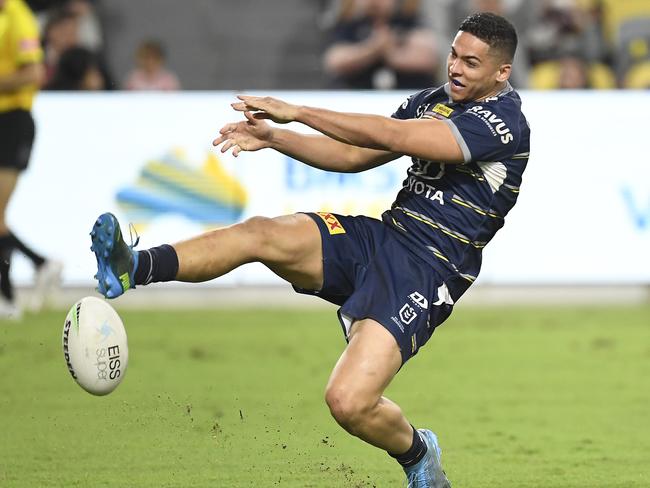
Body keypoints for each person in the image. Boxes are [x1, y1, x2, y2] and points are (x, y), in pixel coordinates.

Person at [90, 12, 529, 487]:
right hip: (384, 237)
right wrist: (276, 137)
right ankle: (134, 265)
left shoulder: (503, 123)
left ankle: (419, 454)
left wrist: (296, 111)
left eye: (471, 62)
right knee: (263, 233)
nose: (455, 69)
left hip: (428, 270)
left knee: (348, 402)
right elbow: (353, 156)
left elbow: (394, 136)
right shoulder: (432, 101)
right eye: (453, 55)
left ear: (501, 72)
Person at [0, 0, 62, 319]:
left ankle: (14, 292)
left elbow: (34, 72)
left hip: (13, 122)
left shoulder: (19, 18)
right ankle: (19, 285)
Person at [322, 0, 439, 89]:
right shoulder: (350, 23)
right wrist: (373, 48)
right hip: (358, 98)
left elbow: (427, 57)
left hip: (408, 97)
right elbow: (335, 60)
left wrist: (390, 52)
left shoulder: (409, 20)